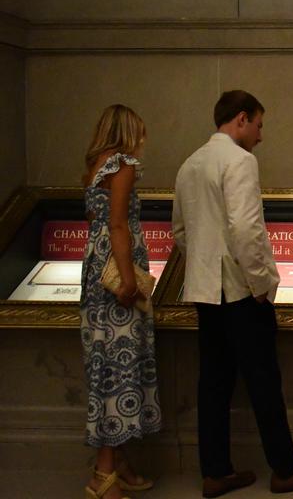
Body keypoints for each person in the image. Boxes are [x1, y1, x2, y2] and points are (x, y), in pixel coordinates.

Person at [172, 90, 293, 497]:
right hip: (241, 291)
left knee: (213, 383)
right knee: (263, 381)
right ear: (241, 119)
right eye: (259, 125)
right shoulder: (240, 161)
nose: (261, 136)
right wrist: (261, 285)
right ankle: (286, 469)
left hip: (205, 290)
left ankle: (215, 471)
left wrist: (207, 264)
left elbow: (179, 232)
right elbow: (246, 230)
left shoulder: (190, 164)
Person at [80, 104, 160, 499]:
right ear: (130, 132)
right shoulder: (124, 165)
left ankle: (120, 463)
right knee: (118, 370)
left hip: (94, 272)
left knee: (104, 364)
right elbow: (118, 224)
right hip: (116, 276)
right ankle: (103, 474)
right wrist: (129, 280)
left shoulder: (95, 165)